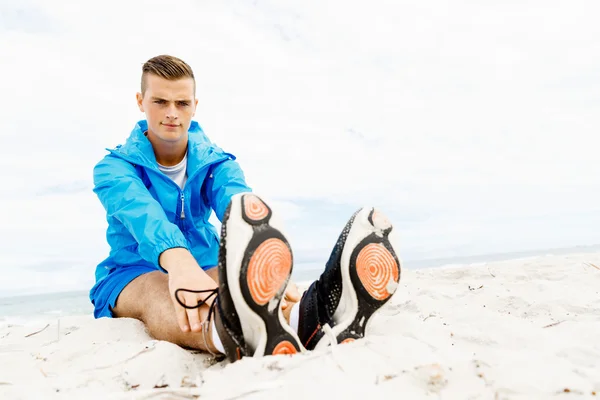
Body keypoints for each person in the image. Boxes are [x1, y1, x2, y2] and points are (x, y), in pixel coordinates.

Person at [90, 54, 402, 362]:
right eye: (160, 101)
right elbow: (141, 213)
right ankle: (232, 335)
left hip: (205, 262)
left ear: (195, 106)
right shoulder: (113, 168)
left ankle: (309, 319)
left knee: (238, 288)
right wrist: (179, 263)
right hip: (132, 271)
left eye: (182, 103)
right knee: (162, 289)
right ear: (140, 101)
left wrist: (271, 269)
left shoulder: (218, 163)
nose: (172, 112)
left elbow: (237, 204)